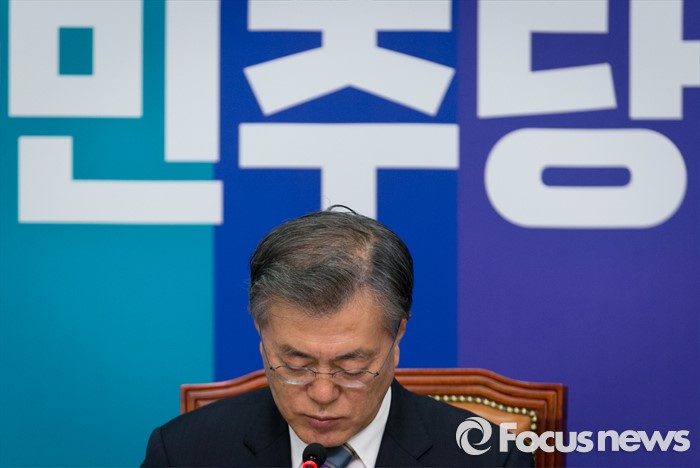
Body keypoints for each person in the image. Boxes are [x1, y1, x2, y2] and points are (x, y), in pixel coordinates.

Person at [141, 207, 533, 467]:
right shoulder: (184, 453)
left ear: (398, 336)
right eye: (296, 365)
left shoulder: (490, 459)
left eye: (352, 368)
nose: (323, 394)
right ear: (261, 333)